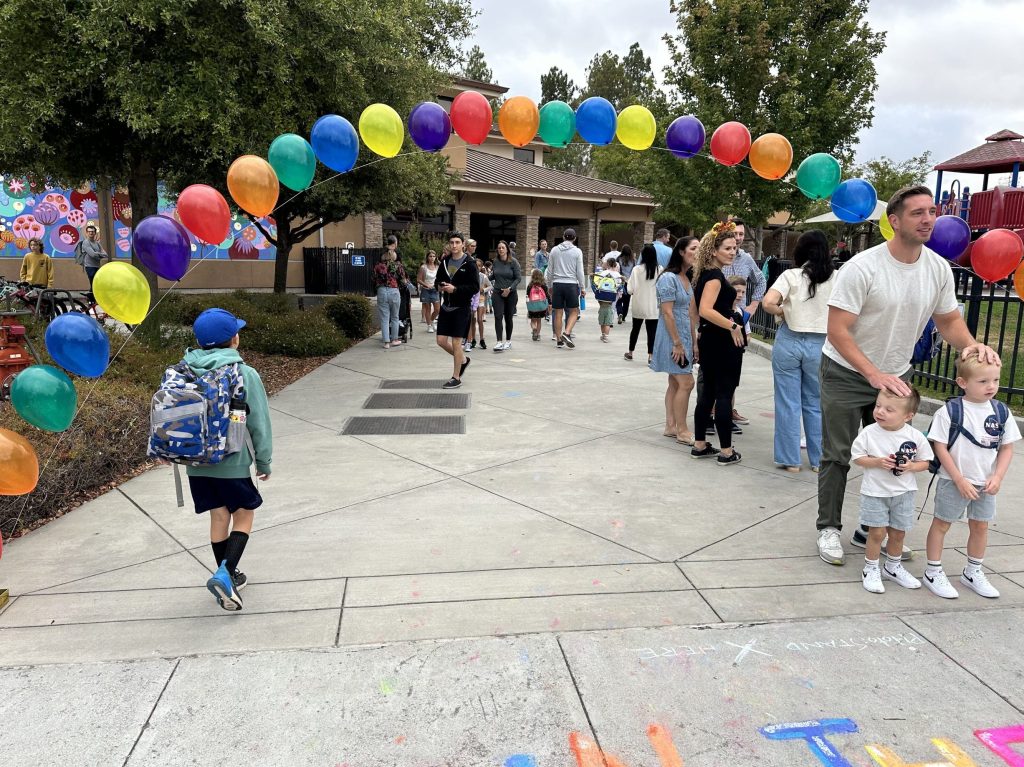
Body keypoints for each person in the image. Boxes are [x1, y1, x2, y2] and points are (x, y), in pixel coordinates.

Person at [815, 185, 1000, 567]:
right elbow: (837, 330)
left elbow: (948, 320)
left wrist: (971, 347)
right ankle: (828, 528)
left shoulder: (936, 268)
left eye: (931, 211)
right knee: (838, 454)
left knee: (893, 454)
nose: (928, 219)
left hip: (897, 376)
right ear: (894, 221)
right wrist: (872, 373)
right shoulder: (863, 267)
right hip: (848, 371)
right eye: (917, 213)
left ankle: (872, 528)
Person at [185, 308, 272, 612]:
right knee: (245, 513)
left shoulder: (185, 370)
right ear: (233, 339)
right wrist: (264, 461)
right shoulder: (244, 374)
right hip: (232, 461)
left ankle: (230, 573)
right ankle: (225, 573)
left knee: (219, 516)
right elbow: (258, 422)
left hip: (195, 463)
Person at [923, 352, 1020, 599]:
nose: (991, 387)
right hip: (953, 480)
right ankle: (933, 571)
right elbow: (940, 446)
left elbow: (1007, 447)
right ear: (963, 382)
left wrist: (997, 477)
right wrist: (958, 479)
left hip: (985, 482)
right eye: (983, 381)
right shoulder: (950, 411)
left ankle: (973, 571)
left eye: (995, 380)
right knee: (942, 523)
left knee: (981, 525)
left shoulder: (1001, 412)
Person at [762, 230, 836, 473]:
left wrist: (785, 311)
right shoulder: (836, 277)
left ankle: (790, 460)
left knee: (787, 401)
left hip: (790, 340)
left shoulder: (791, 275)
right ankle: (817, 460)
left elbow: (768, 303)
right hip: (821, 344)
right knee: (816, 402)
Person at [850, 388, 933, 594]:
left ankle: (893, 567)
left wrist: (912, 466)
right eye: (878, 406)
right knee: (876, 533)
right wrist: (877, 462)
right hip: (875, 492)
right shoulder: (870, 432)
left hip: (904, 493)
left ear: (908, 416)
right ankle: (870, 568)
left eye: (889, 409)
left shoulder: (914, 436)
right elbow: (857, 457)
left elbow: (926, 462)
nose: (880, 412)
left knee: (898, 533)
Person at [691, 222, 746, 466]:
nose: (732, 251)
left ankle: (700, 444)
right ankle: (726, 451)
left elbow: (695, 310)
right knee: (723, 394)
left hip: (711, 339)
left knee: (708, 394)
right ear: (713, 251)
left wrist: (698, 333)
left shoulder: (704, 274)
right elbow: (704, 310)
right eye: (727, 248)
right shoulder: (713, 277)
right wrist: (733, 326)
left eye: (734, 247)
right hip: (722, 341)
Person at [713, 218, 766, 427]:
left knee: (733, 369)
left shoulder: (746, 259)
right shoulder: (716, 257)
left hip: (739, 319)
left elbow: (761, 280)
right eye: (735, 233)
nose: (738, 238)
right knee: (713, 370)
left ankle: (727, 411)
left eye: (742, 234)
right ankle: (711, 412)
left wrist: (753, 306)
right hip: (716, 318)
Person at [650, 242, 699, 445]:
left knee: (674, 382)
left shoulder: (686, 278)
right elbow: (668, 312)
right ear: (681, 251)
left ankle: (671, 426)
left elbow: (689, 314)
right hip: (672, 338)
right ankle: (682, 430)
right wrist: (677, 343)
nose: (697, 252)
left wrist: (694, 342)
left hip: (684, 337)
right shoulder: (669, 278)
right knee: (686, 383)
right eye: (693, 248)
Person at [435, 232, 478, 389]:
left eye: (457, 242)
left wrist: (456, 289)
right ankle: (463, 361)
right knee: (440, 341)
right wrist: (439, 286)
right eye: (452, 242)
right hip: (446, 306)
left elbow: (474, 287)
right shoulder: (445, 261)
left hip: (462, 308)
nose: (454, 245)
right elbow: (437, 280)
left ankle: (456, 377)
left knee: (456, 343)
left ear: (463, 244)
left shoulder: (470, 263)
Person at [624, 242, 665, 362]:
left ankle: (631, 352)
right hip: (653, 306)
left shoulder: (637, 269)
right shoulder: (660, 269)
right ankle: (651, 356)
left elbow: (630, 289)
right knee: (652, 332)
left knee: (635, 329)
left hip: (639, 304)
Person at [546, 228, 586, 349]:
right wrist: (582, 287)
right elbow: (580, 271)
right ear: (574, 238)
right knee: (574, 311)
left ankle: (559, 340)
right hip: (571, 284)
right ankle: (567, 332)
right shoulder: (577, 251)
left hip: (557, 284)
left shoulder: (554, 250)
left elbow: (549, 270)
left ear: (563, 237)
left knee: (558, 312)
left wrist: (549, 285)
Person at [372, 236, 408, 349]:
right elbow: (403, 280)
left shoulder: (378, 266)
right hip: (393, 290)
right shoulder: (397, 265)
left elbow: (373, 278)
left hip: (382, 290)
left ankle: (386, 342)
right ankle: (394, 339)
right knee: (395, 317)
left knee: (384, 318)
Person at [491, 240, 522, 351]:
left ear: (507, 249)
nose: (501, 250)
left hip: (511, 293)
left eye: (503, 248)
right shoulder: (495, 262)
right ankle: (499, 342)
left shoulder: (513, 262)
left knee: (508, 318)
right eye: (499, 248)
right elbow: (493, 276)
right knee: (498, 316)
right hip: (497, 292)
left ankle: (508, 341)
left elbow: (518, 278)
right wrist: (483, 278)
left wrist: (510, 289)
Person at [593, 258, 622, 343]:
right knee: (609, 316)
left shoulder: (603, 273)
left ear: (608, 264)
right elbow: (620, 285)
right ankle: (606, 335)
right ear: (615, 265)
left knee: (602, 316)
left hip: (602, 297)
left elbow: (596, 283)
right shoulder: (617, 274)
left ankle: (603, 334)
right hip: (612, 297)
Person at [466, 257, 491, 351]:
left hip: (480, 299)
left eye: (479, 266)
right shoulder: (468, 276)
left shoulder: (483, 276)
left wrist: (483, 290)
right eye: (475, 266)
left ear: (481, 267)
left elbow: (490, 286)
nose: (477, 267)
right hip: (471, 300)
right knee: (472, 319)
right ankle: (473, 339)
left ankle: (482, 339)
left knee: (480, 319)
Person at [418, 250, 441, 332]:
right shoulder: (423, 267)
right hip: (426, 290)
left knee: (437, 309)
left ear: (436, 257)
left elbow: (440, 278)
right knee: (428, 308)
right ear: (427, 257)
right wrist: (426, 285)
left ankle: (431, 321)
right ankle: (429, 326)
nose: (432, 258)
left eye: (433, 256)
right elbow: (419, 279)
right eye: (430, 256)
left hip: (435, 290)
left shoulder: (438, 267)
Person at [526, 269, 550, 341]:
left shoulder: (530, 286)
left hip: (532, 306)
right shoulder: (543, 285)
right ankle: (538, 335)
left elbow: (527, 296)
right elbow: (547, 295)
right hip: (541, 306)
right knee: (539, 321)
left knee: (533, 321)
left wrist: (528, 304)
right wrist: (550, 303)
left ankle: (534, 329)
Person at [615, 244, 636, 323]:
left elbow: (616, 270)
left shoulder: (618, 259)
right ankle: (623, 316)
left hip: (620, 281)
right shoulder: (633, 260)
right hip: (629, 282)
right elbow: (634, 271)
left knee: (619, 299)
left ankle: (619, 313)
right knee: (627, 301)